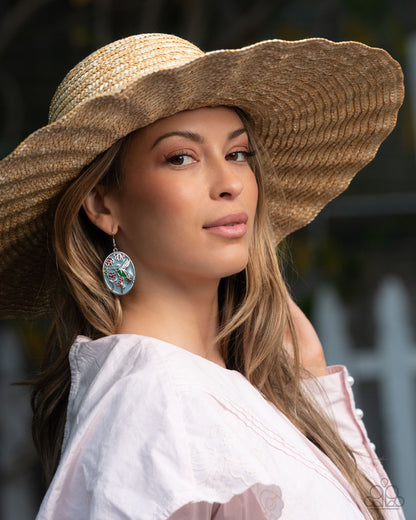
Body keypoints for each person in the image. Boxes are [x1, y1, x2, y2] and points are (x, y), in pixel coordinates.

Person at [0, 33, 405, 519]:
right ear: (103, 204)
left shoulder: (209, 389)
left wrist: (312, 383)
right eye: (181, 157)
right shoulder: (156, 401)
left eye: (238, 154)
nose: (231, 182)